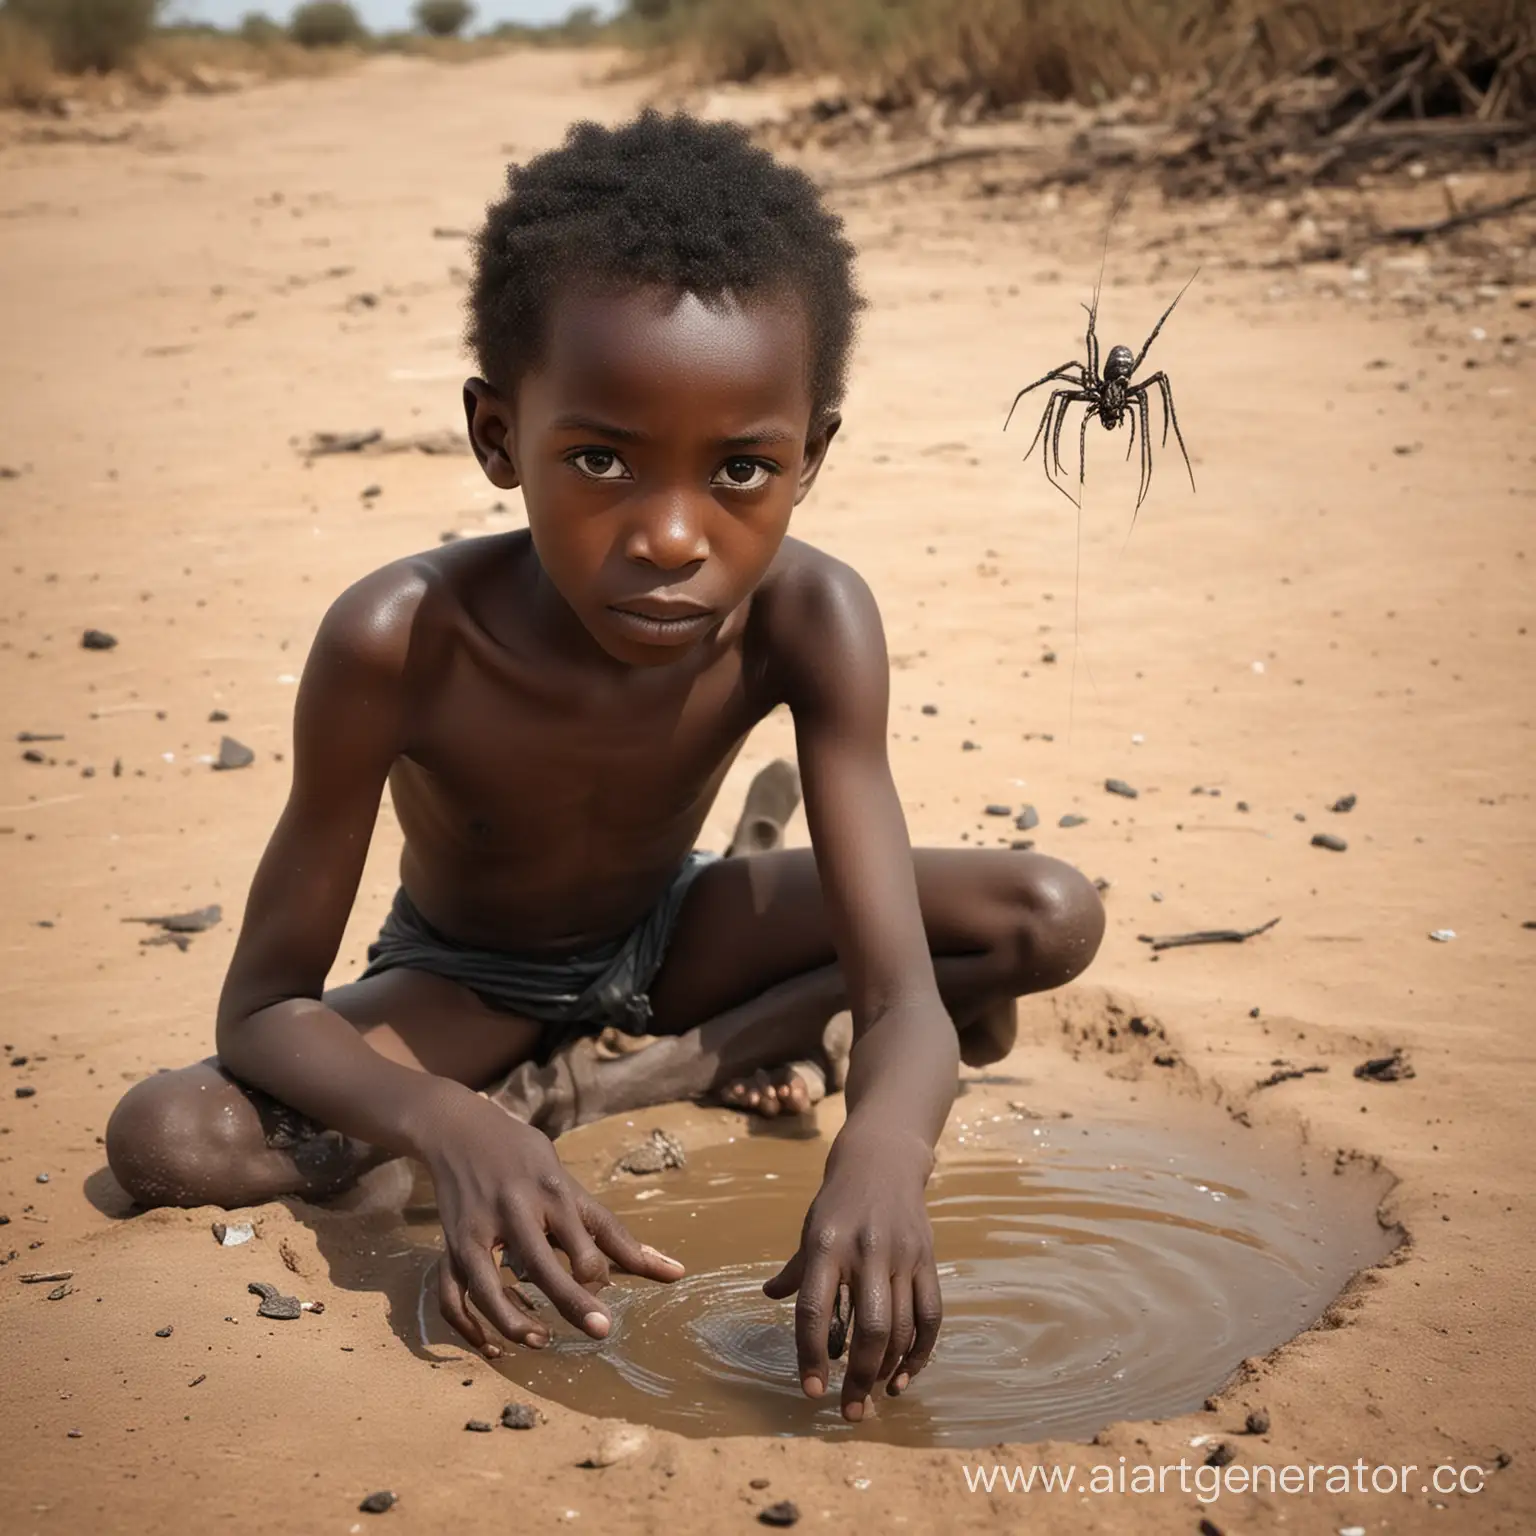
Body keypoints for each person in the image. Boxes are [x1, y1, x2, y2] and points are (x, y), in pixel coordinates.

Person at [105, 111, 1105, 1423]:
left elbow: (907, 999)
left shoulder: (815, 618)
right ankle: (680, 1056)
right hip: (470, 982)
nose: (673, 537)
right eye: (600, 461)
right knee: (168, 1137)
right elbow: (263, 1010)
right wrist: (449, 1124)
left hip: (678, 926)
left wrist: (882, 1144)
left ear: (811, 460)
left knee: (1047, 913)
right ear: (496, 436)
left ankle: (690, 1042)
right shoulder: (398, 640)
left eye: (743, 468)